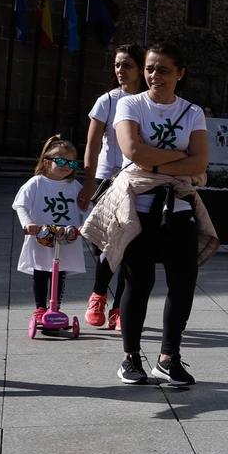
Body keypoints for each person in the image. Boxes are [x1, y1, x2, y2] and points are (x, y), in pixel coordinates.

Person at [107, 42, 212, 389]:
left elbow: (200, 162)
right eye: (150, 68)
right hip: (138, 207)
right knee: (138, 283)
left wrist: (153, 161)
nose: (154, 75)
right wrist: (175, 158)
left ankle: (169, 358)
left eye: (163, 69)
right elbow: (131, 150)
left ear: (180, 74)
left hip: (178, 208)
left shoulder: (192, 112)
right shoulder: (130, 104)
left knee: (182, 284)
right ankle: (131, 357)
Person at [79, 42, 146, 328]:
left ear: (140, 69)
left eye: (127, 65)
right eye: (117, 64)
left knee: (128, 244)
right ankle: (98, 294)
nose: (120, 70)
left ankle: (119, 307)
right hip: (108, 180)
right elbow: (92, 146)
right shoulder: (107, 100)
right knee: (105, 245)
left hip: (137, 180)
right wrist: (88, 182)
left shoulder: (148, 101)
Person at [15, 137, 86, 313]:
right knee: (41, 272)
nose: (66, 165)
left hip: (65, 237)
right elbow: (20, 204)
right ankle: (40, 308)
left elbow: (86, 207)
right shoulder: (37, 183)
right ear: (47, 162)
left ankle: (55, 308)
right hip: (42, 236)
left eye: (71, 162)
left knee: (60, 274)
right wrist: (28, 223)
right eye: (61, 161)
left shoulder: (75, 185)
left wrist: (86, 226)